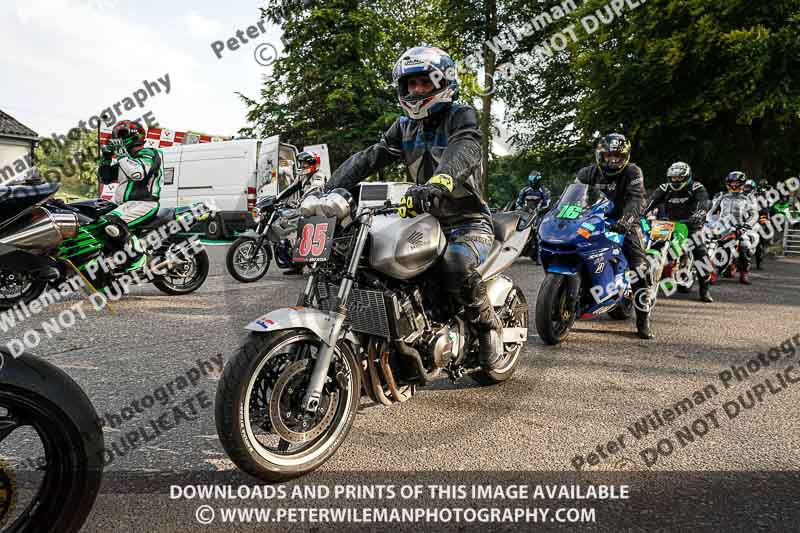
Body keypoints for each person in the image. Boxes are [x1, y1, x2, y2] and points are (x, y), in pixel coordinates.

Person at [323, 45, 504, 370]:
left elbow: (465, 147)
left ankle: (488, 326)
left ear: (442, 83)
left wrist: (440, 182)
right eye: (411, 84)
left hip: (468, 224)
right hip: (424, 220)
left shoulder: (459, 116)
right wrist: (329, 190)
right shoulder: (404, 125)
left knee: (454, 263)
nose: (417, 90)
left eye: (424, 83)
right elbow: (370, 156)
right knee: (372, 261)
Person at [576, 133, 654, 339]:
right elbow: (573, 197)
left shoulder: (632, 171)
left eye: (617, 156)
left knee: (639, 268)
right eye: (608, 156)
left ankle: (643, 317)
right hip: (592, 221)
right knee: (573, 248)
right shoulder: (587, 173)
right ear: (599, 155)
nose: (612, 160)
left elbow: (637, 199)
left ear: (625, 157)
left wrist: (626, 220)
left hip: (624, 222)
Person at [97, 120, 163, 272]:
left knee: (112, 221)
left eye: (120, 135)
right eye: (115, 136)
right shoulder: (125, 159)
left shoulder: (150, 153)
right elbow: (105, 178)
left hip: (145, 203)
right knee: (98, 223)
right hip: (124, 205)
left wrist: (120, 152)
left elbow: (137, 173)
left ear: (134, 136)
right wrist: (106, 159)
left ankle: (137, 257)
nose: (116, 139)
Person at [646, 161, 713, 302]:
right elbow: (649, 202)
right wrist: (640, 212)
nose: (676, 180)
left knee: (700, 252)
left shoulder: (696, 187)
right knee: (652, 245)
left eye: (679, 178)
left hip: (691, 224)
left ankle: (704, 290)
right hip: (667, 224)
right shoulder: (664, 188)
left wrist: (700, 213)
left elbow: (704, 201)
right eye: (673, 177)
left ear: (687, 177)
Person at [706, 171, 760, 285]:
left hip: (740, 228)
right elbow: (710, 213)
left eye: (737, 182)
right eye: (732, 182)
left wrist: (745, 226)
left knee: (745, 246)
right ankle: (715, 271)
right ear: (728, 183)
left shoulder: (748, 198)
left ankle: (744, 273)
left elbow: (754, 215)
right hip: (722, 227)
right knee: (713, 245)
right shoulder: (722, 197)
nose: (734, 185)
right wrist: (711, 223)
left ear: (742, 183)